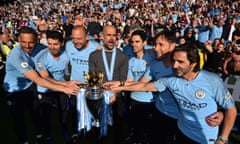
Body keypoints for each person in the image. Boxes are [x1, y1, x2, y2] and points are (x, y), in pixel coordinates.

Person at [107, 43, 237, 144]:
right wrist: (119, 85)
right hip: (182, 133)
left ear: (193, 64)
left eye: (180, 62)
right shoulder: (172, 81)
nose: (174, 66)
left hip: (206, 138)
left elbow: (231, 109)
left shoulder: (212, 80)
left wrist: (223, 138)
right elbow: (143, 85)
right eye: (174, 61)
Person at [3, 26, 79, 144]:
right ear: (18, 40)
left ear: (37, 40)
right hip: (14, 90)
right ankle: (24, 141)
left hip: (29, 87)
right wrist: (65, 87)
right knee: (19, 119)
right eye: (23, 42)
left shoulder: (39, 48)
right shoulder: (16, 55)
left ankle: (40, 137)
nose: (27, 46)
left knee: (36, 114)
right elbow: (38, 79)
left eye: (31, 42)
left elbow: (54, 48)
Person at [88, 25, 128, 144]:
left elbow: (123, 80)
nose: (111, 38)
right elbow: (93, 79)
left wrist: (114, 93)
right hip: (100, 97)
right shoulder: (94, 55)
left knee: (117, 128)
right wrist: (105, 92)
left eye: (114, 35)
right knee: (99, 129)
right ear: (102, 37)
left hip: (117, 98)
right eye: (108, 35)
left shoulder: (122, 56)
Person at [34, 30, 72, 144]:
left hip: (62, 88)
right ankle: (48, 136)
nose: (52, 47)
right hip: (46, 89)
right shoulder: (40, 57)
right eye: (49, 44)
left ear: (61, 43)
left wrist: (68, 79)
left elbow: (67, 70)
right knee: (46, 115)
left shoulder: (66, 54)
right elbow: (45, 77)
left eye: (55, 44)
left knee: (64, 112)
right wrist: (65, 85)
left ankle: (65, 130)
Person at [65, 25, 99, 141]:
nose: (76, 41)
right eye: (73, 38)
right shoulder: (68, 45)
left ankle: (94, 133)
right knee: (74, 111)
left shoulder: (97, 48)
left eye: (79, 38)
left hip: (91, 88)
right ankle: (75, 133)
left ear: (87, 37)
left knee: (93, 113)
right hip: (75, 87)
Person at [123, 30, 156, 143]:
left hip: (150, 100)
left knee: (149, 133)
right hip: (135, 99)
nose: (134, 44)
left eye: (137, 41)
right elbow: (130, 81)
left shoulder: (152, 57)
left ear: (144, 43)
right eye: (132, 41)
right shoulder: (130, 60)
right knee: (137, 131)